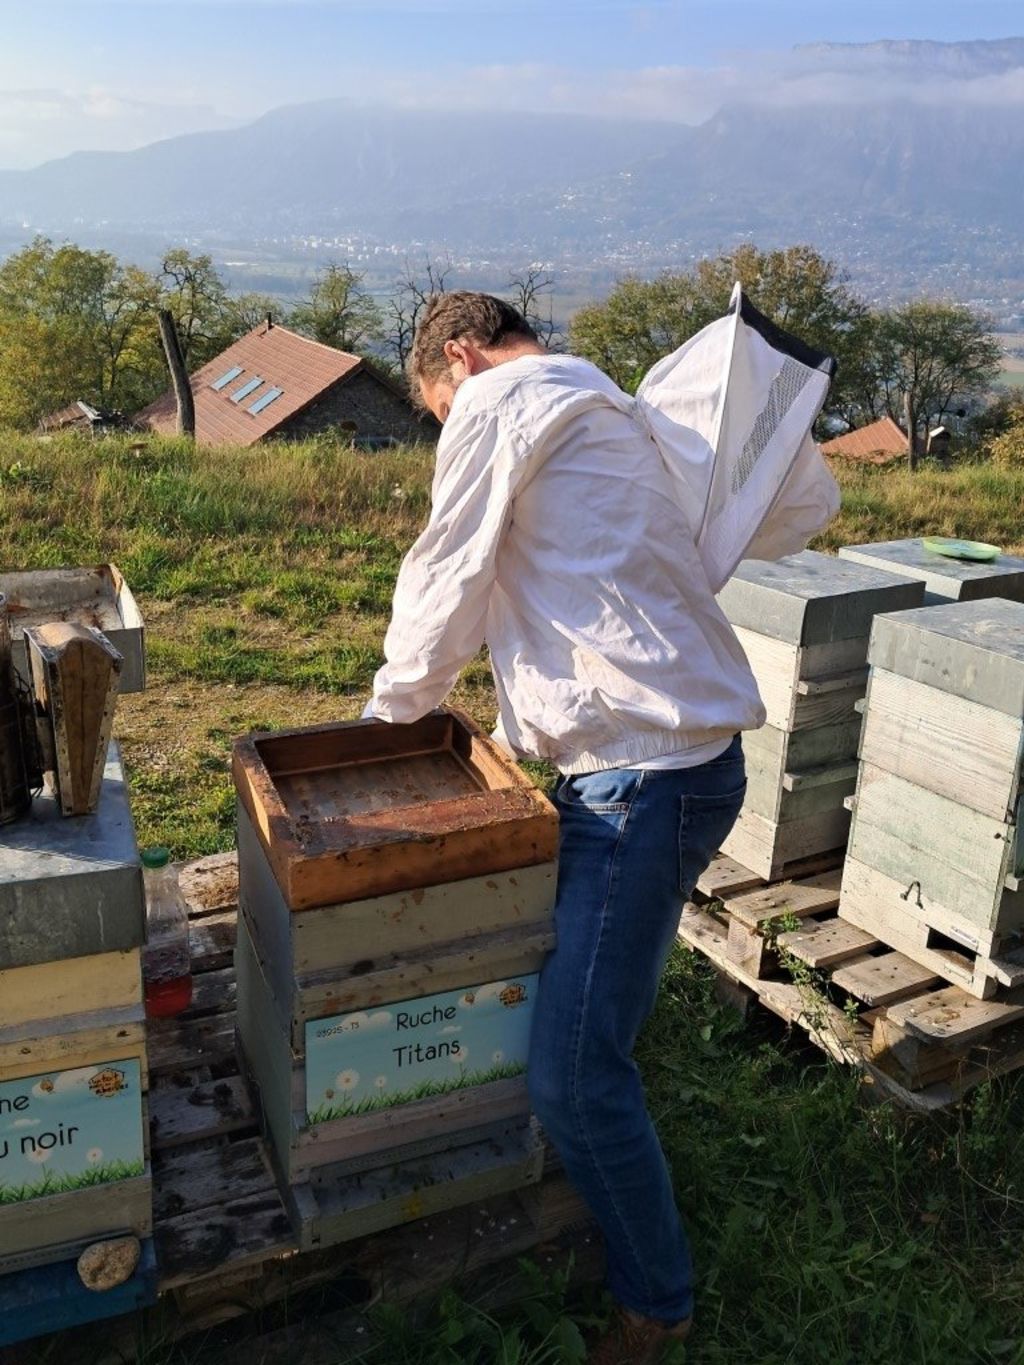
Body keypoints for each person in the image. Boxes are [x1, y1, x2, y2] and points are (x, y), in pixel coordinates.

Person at [364, 290, 836, 1363]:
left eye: (437, 408)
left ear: (460, 355)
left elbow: (447, 574)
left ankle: (654, 1305)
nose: (447, 426)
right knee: (585, 1018)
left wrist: (380, 730)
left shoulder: (503, 401)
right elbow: (806, 503)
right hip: (665, 769)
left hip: (643, 782)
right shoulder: (613, 407)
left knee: (573, 1074)